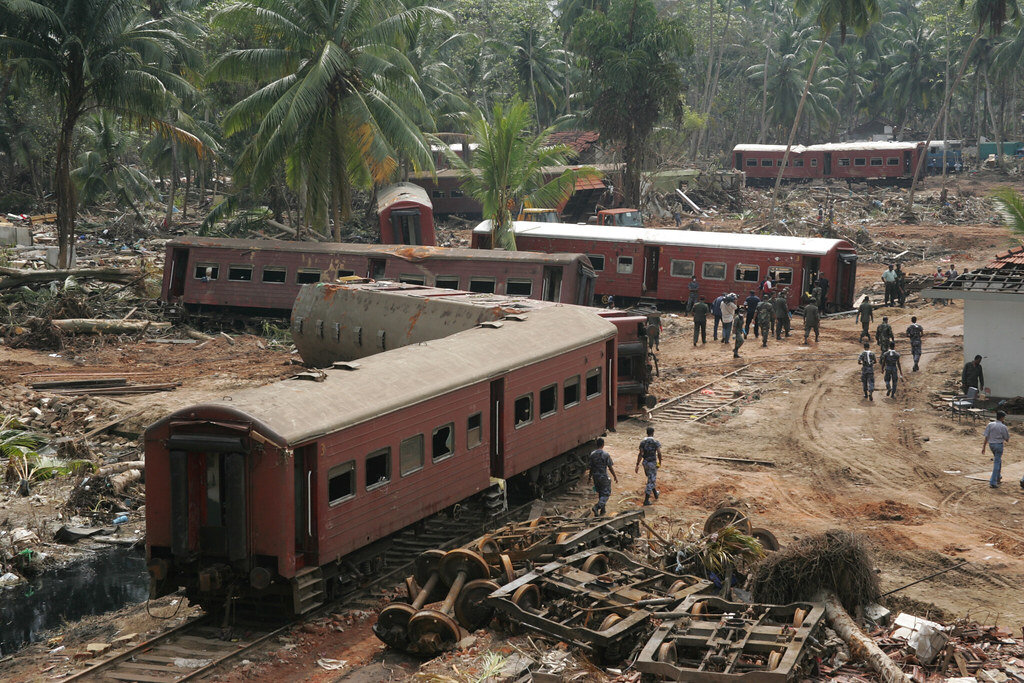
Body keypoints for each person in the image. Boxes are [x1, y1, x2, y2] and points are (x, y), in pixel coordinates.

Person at [982, 411, 1014, 489]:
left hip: (991, 445)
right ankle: (993, 481)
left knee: (998, 460)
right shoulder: (1003, 427)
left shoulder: (990, 424)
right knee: (997, 462)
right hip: (999, 445)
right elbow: (1007, 439)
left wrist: (984, 447)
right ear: (1002, 418)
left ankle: (998, 477)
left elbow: (986, 436)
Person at [588, 438, 618, 516]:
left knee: (601, 492)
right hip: (603, 476)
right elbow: (610, 466)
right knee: (606, 493)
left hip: (595, 476)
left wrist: (589, 478)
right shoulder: (605, 454)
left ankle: (603, 510)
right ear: (603, 445)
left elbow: (591, 468)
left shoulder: (592, 454)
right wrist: (615, 476)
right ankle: (597, 507)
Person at [635, 427, 662, 506]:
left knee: (650, 478)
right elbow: (659, 453)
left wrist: (637, 464)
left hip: (645, 463)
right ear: (653, 433)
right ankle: (646, 500)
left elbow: (640, 454)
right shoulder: (655, 442)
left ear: (646, 433)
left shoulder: (643, 442)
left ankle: (655, 494)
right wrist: (660, 462)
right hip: (652, 463)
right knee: (651, 480)